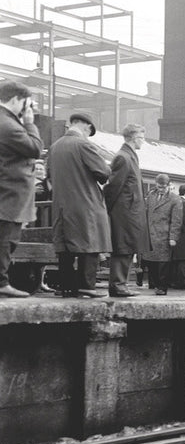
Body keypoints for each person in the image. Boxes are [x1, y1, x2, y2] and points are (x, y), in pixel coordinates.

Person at [47, 112, 110, 298]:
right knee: (90, 243)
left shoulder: (54, 147)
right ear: (86, 126)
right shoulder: (83, 144)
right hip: (85, 204)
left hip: (61, 205)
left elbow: (49, 176)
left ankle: (66, 287)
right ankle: (86, 286)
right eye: (89, 132)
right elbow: (103, 172)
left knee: (65, 247)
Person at [0, 80, 43, 298]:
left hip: (8, 192)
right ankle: (1, 282)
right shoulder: (8, 125)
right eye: (27, 102)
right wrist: (30, 123)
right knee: (6, 240)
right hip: (9, 193)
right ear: (17, 99)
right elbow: (35, 148)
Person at [103, 123, 150, 297]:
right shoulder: (123, 157)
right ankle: (118, 285)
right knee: (123, 247)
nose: (143, 141)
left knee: (128, 247)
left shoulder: (129, 156)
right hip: (124, 213)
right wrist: (109, 209)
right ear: (134, 138)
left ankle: (121, 284)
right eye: (142, 138)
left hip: (129, 211)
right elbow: (113, 186)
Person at [144, 174, 182, 295]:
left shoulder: (175, 199)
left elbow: (177, 220)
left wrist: (173, 237)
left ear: (168, 185)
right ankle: (155, 284)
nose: (161, 189)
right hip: (150, 234)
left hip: (164, 236)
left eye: (163, 187)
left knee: (163, 263)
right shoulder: (150, 196)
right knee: (151, 261)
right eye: (159, 186)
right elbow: (145, 213)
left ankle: (162, 287)